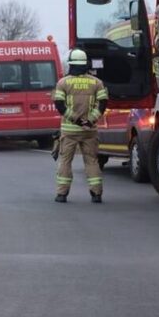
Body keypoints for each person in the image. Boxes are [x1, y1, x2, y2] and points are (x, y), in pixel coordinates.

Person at [53, 48, 108, 203]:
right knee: (91, 161)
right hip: (89, 130)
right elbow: (103, 104)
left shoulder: (63, 83)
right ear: (85, 64)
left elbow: (60, 105)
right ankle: (96, 194)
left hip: (69, 130)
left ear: (71, 64)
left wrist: (75, 120)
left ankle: (61, 194)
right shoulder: (96, 82)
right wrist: (90, 120)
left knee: (65, 161)